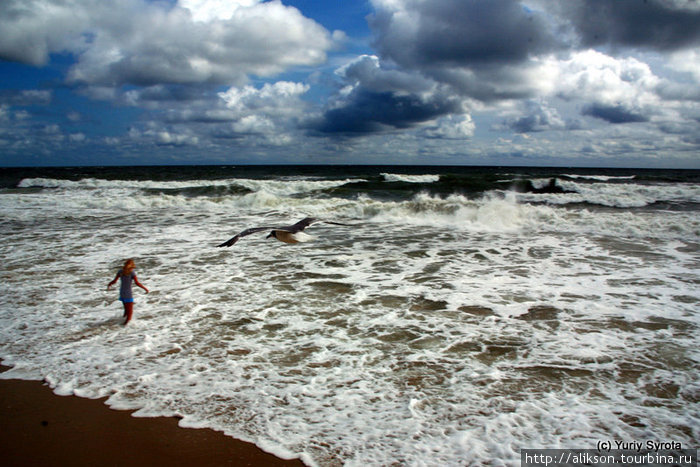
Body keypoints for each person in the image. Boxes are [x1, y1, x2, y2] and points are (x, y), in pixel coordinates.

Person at [107, 259, 149, 325]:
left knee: (126, 311)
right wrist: (145, 289)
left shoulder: (120, 271)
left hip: (122, 292)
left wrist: (109, 284)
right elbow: (137, 283)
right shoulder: (132, 273)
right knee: (130, 313)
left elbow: (114, 281)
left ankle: (121, 324)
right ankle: (125, 327)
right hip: (128, 293)